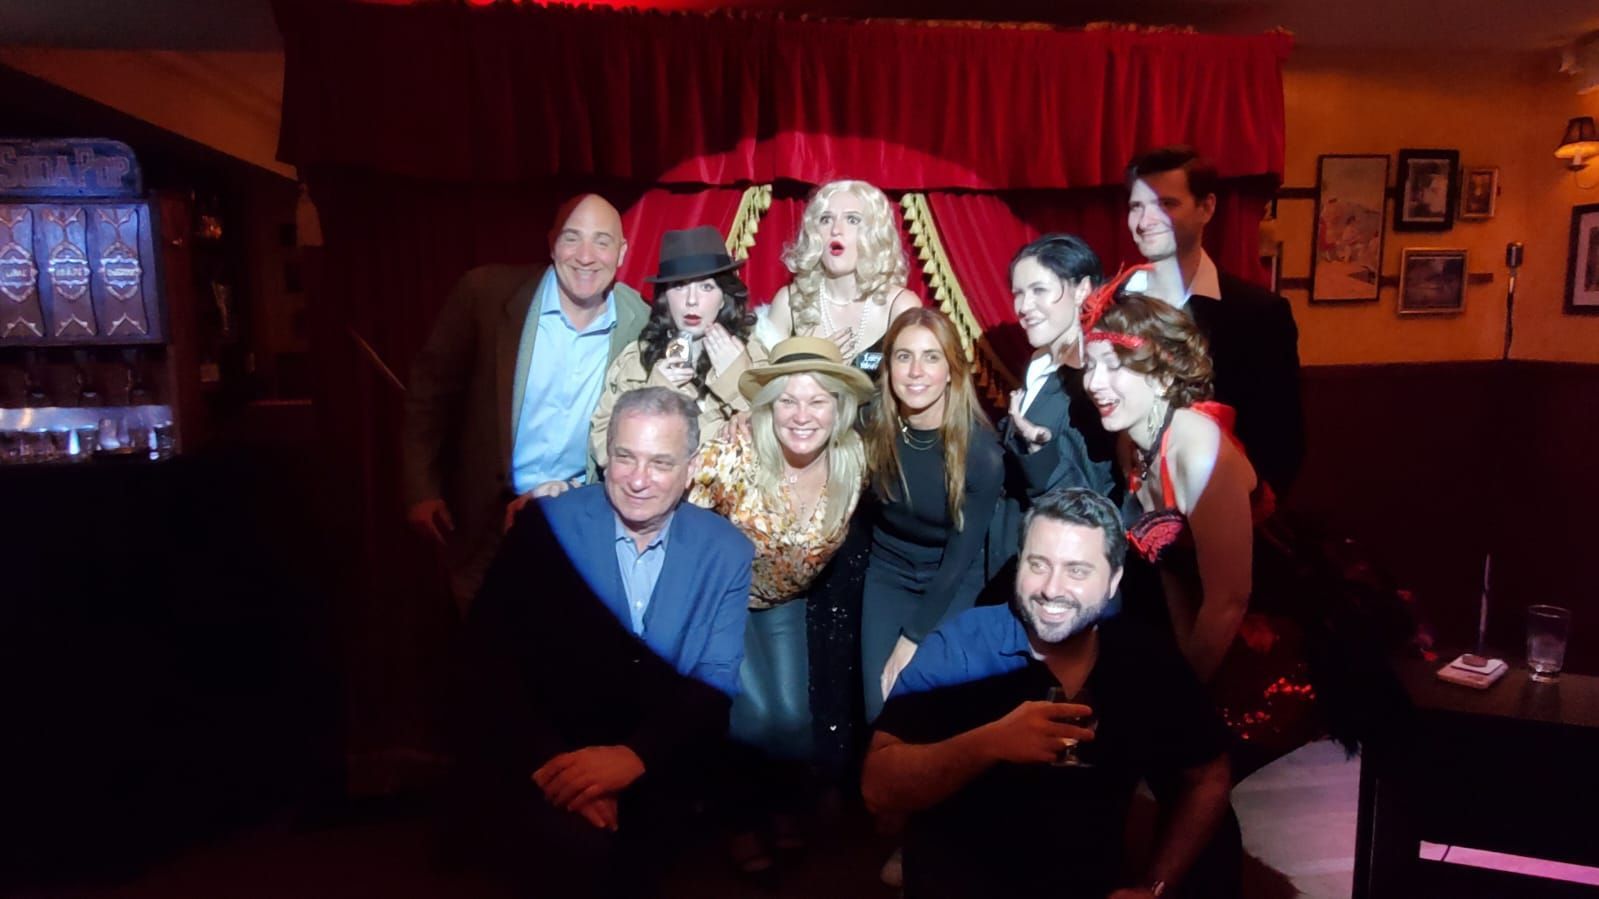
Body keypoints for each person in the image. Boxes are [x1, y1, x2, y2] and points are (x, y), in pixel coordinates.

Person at [449, 387, 754, 899]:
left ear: (692, 466)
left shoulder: (726, 551)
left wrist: (634, 757)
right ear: (604, 455)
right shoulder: (544, 528)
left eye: (660, 462)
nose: (638, 480)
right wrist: (561, 773)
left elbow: (714, 679)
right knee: (574, 856)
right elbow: (487, 664)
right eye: (624, 457)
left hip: (656, 760)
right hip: (550, 754)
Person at [861, 488, 1232, 899]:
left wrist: (1154, 886)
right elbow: (878, 788)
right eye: (1039, 565)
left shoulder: (1143, 660)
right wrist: (989, 743)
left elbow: (1209, 776)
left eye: (1077, 570)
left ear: (1113, 581)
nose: (1051, 589)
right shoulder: (960, 648)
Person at [402, 194, 647, 606]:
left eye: (602, 242)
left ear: (621, 252)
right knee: (482, 654)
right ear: (552, 243)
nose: (586, 256)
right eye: (573, 238)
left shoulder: (639, 320)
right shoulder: (484, 294)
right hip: (484, 523)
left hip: (577, 522)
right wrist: (419, 488)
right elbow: (430, 394)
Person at [687, 336, 874, 874]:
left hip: (784, 602)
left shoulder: (852, 461)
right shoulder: (736, 450)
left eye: (818, 401)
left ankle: (781, 808)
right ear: (768, 408)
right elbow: (684, 525)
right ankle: (742, 822)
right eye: (787, 400)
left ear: (839, 407)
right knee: (750, 720)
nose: (802, 415)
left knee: (792, 721)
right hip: (722, 602)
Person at [1123, 146, 1304, 496]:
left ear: (1207, 207)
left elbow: (1283, 441)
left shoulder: (1259, 314)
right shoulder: (1112, 304)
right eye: (1136, 206)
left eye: (1165, 204)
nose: (1145, 221)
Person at [861, 308, 1004, 722]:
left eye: (931, 357)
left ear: (951, 371)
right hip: (887, 575)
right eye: (903, 357)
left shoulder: (981, 456)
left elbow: (959, 562)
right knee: (879, 707)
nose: (916, 371)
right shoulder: (871, 425)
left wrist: (911, 639)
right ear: (888, 368)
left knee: (929, 709)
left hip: (952, 582)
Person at [589, 226, 763, 471]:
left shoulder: (754, 353)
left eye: (706, 287)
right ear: (665, 296)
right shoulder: (637, 360)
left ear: (724, 297)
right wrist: (653, 398)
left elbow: (782, 445)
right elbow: (604, 448)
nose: (692, 300)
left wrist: (739, 384)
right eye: (680, 286)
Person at [757, 179, 922, 374]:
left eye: (852, 220)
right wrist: (813, 365)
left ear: (874, 233)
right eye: (825, 219)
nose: (836, 230)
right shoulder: (789, 303)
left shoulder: (901, 306)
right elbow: (766, 390)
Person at [1003, 233, 1119, 500]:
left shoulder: (1094, 383)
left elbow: (1094, 492)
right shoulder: (1039, 361)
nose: (1024, 306)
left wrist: (1037, 451)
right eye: (1018, 293)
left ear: (1081, 290)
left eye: (1039, 290)